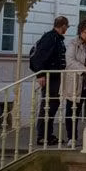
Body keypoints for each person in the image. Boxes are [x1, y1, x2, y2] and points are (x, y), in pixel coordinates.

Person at [32, 16, 69, 145]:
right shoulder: (50, 38)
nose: (66, 29)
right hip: (50, 77)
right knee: (47, 106)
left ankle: (48, 134)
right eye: (66, 27)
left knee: (52, 105)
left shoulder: (56, 38)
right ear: (63, 25)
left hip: (56, 77)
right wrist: (40, 74)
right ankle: (42, 135)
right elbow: (39, 56)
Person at [62, 19, 86, 146]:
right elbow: (70, 61)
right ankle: (72, 137)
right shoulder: (73, 43)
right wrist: (85, 70)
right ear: (81, 32)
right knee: (73, 110)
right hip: (77, 82)